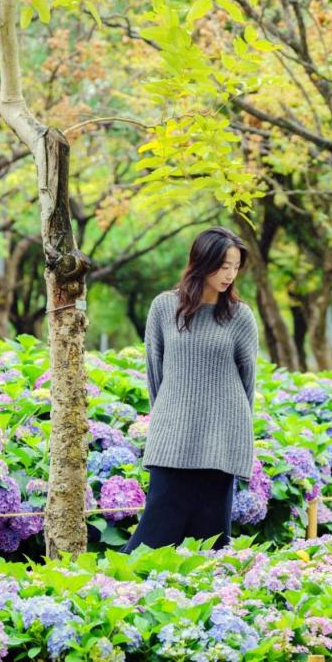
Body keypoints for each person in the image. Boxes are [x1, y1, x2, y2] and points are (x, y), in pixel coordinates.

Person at [121, 226, 259, 553]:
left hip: (221, 442)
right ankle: (114, 588)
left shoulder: (240, 317)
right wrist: (170, 420)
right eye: (223, 265)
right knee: (152, 541)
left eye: (235, 267)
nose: (230, 274)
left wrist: (236, 433)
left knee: (210, 546)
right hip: (173, 441)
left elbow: (247, 382)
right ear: (202, 261)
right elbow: (156, 374)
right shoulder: (163, 308)